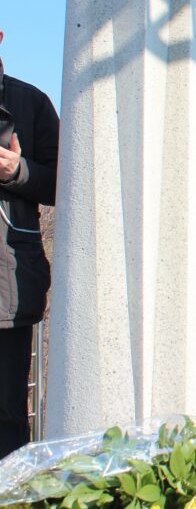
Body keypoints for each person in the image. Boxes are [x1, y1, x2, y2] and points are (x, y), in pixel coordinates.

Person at [0, 30, 59, 459]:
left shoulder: (30, 103)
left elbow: (68, 182)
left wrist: (17, 171)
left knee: (6, 414)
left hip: (8, 285)